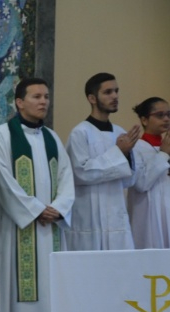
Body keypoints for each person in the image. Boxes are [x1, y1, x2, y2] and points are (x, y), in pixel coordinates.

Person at [0, 78, 75, 312]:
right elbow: (1, 180)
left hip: (49, 228)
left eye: (46, 96)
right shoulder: (2, 135)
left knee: (50, 285)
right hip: (15, 227)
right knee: (15, 285)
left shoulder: (52, 137)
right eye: (36, 96)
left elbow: (66, 178)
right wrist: (35, 209)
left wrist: (59, 207)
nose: (43, 102)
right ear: (19, 102)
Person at [61, 73, 142, 251]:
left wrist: (127, 155)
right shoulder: (80, 133)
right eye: (107, 92)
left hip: (115, 215)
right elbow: (82, 173)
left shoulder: (120, 132)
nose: (115, 96)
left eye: (116, 91)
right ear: (92, 98)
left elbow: (129, 180)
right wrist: (119, 152)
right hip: (88, 217)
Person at [128, 97, 170, 248]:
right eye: (160, 115)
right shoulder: (135, 147)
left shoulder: (167, 147)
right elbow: (140, 183)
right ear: (144, 120)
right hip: (148, 217)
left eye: (168, 114)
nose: (166, 119)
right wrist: (164, 155)